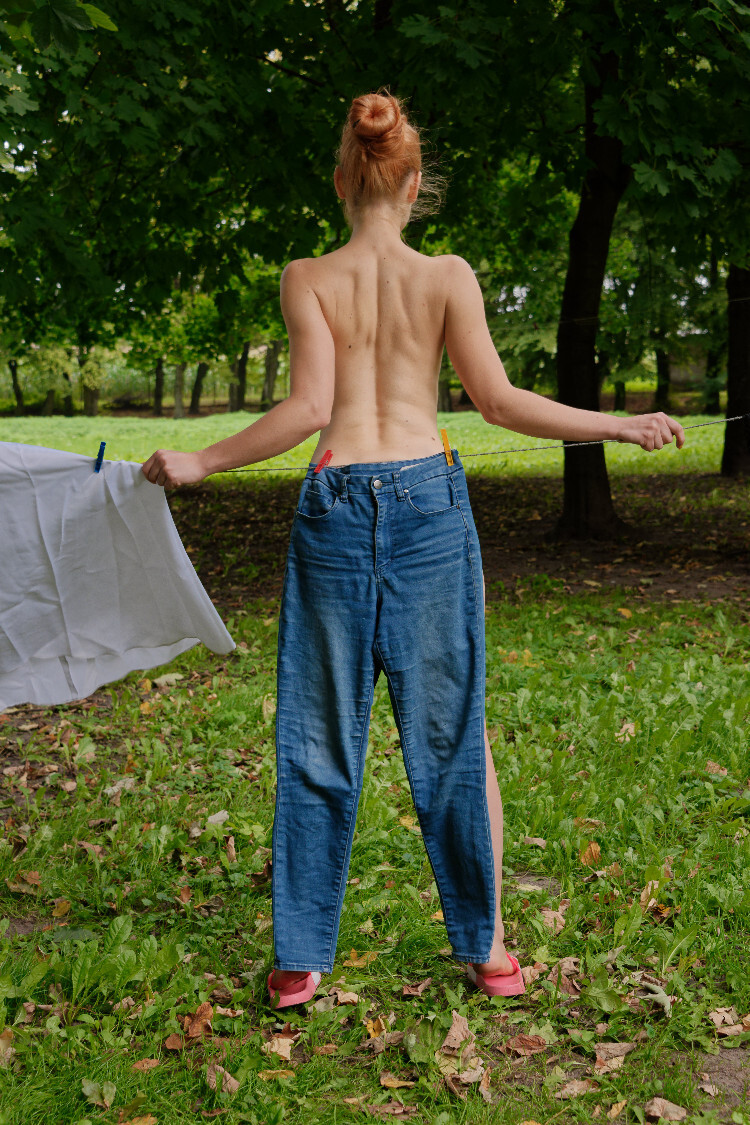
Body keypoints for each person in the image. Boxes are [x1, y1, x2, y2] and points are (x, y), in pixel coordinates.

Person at [142, 89, 685, 1008]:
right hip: (429, 497)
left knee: (319, 732)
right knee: (453, 731)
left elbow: (310, 409)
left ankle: (300, 958)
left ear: (340, 180)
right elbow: (501, 403)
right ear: (413, 182)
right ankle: (489, 949)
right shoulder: (449, 275)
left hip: (335, 499)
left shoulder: (306, 275)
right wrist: (620, 424)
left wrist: (201, 460)